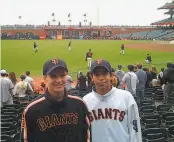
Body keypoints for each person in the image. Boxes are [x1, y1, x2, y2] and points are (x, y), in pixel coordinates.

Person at [21, 58, 90, 142]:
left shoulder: (79, 104)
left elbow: (87, 136)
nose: (59, 80)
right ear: (45, 78)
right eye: (53, 76)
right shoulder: (32, 110)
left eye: (62, 75)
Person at [83, 59, 142, 142]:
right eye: (97, 74)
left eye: (104, 74)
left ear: (111, 75)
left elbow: (135, 131)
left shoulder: (126, 97)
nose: (101, 78)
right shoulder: (85, 101)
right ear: (91, 77)